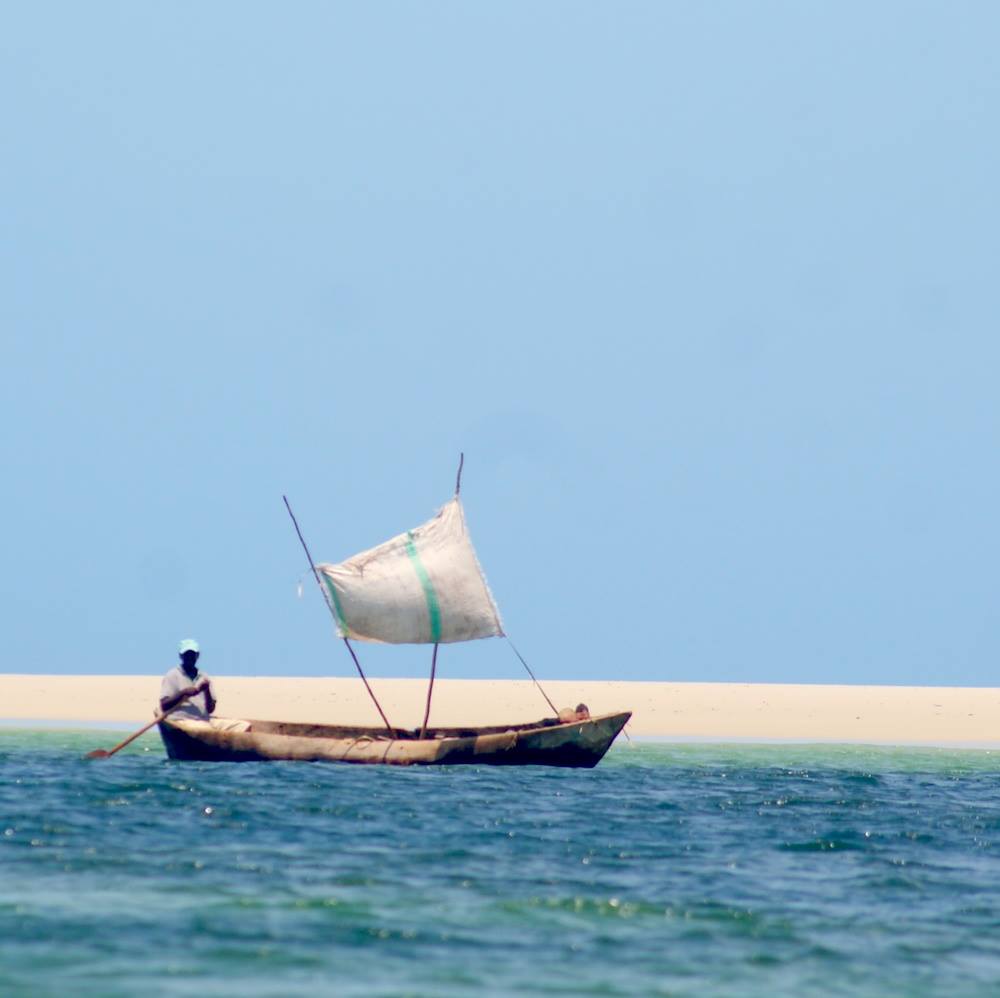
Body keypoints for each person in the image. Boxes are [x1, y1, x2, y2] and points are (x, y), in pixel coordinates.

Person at [160, 639, 216, 720]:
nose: (190, 657)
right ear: (181, 656)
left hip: (202, 722)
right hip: (180, 720)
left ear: (197, 655)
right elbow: (164, 706)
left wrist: (207, 691)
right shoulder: (172, 675)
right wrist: (183, 693)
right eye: (187, 654)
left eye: (192, 654)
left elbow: (211, 709)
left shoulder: (204, 677)